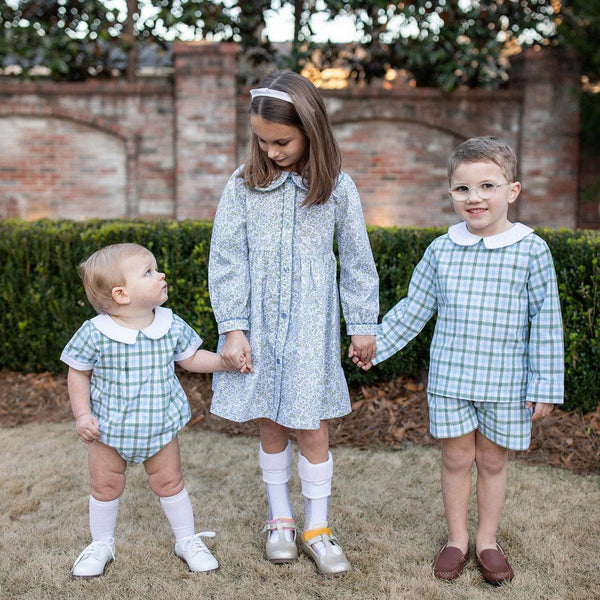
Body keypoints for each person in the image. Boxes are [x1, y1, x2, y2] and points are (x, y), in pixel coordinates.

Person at [353, 136, 564, 585]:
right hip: (450, 380)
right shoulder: (441, 249)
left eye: (487, 185)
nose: (475, 198)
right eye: (462, 189)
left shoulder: (531, 250)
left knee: (491, 462)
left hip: (505, 383)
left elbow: (547, 321)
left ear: (512, 190)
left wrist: (545, 385)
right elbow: (414, 308)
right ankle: (457, 539)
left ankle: (487, 541)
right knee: (454, 459)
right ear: (451, 193)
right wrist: (375, 344)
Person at [208, 70, 379, 575]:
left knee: (311, 424)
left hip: (311, 326)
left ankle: (317, 525)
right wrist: (233, 326)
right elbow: (226, 259)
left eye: (281, 140)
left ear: (311, 129)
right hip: (257, 324)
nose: (272, 150)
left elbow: (357, 261)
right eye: (262, 141)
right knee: (269, 420)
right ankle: (280, 516)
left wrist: (363, 324)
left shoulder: (337, 189)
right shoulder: (242, 186)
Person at [61, 243, 247, 578]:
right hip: (109, 430)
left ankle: (186, 540)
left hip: (159, 426)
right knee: (105, 485)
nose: (160, 274)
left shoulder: (169, 324)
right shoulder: (96, 333)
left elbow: (190, 358)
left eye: (156, 268)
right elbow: (78, 372)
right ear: (121, 294)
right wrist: (82, 414)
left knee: (170, 481)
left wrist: (222, 362)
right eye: (148, 272)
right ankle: (102, 544)